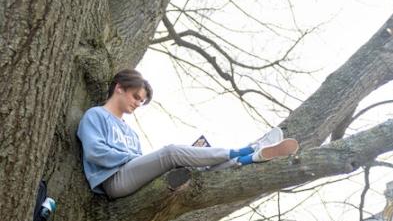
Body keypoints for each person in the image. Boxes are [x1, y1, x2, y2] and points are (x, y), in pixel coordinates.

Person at [77, 69, 298, 199]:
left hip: (131, 178)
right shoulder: (96, 116)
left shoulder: (130, 133)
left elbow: (139, 164)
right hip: (113, 180)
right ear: (119, 87)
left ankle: (250, 158)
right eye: (136, 96)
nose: (137, 103)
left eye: (141, 101)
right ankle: (244, 149)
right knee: (171, 153)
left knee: (191, 170)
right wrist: (135, 159)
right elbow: (96, 153)